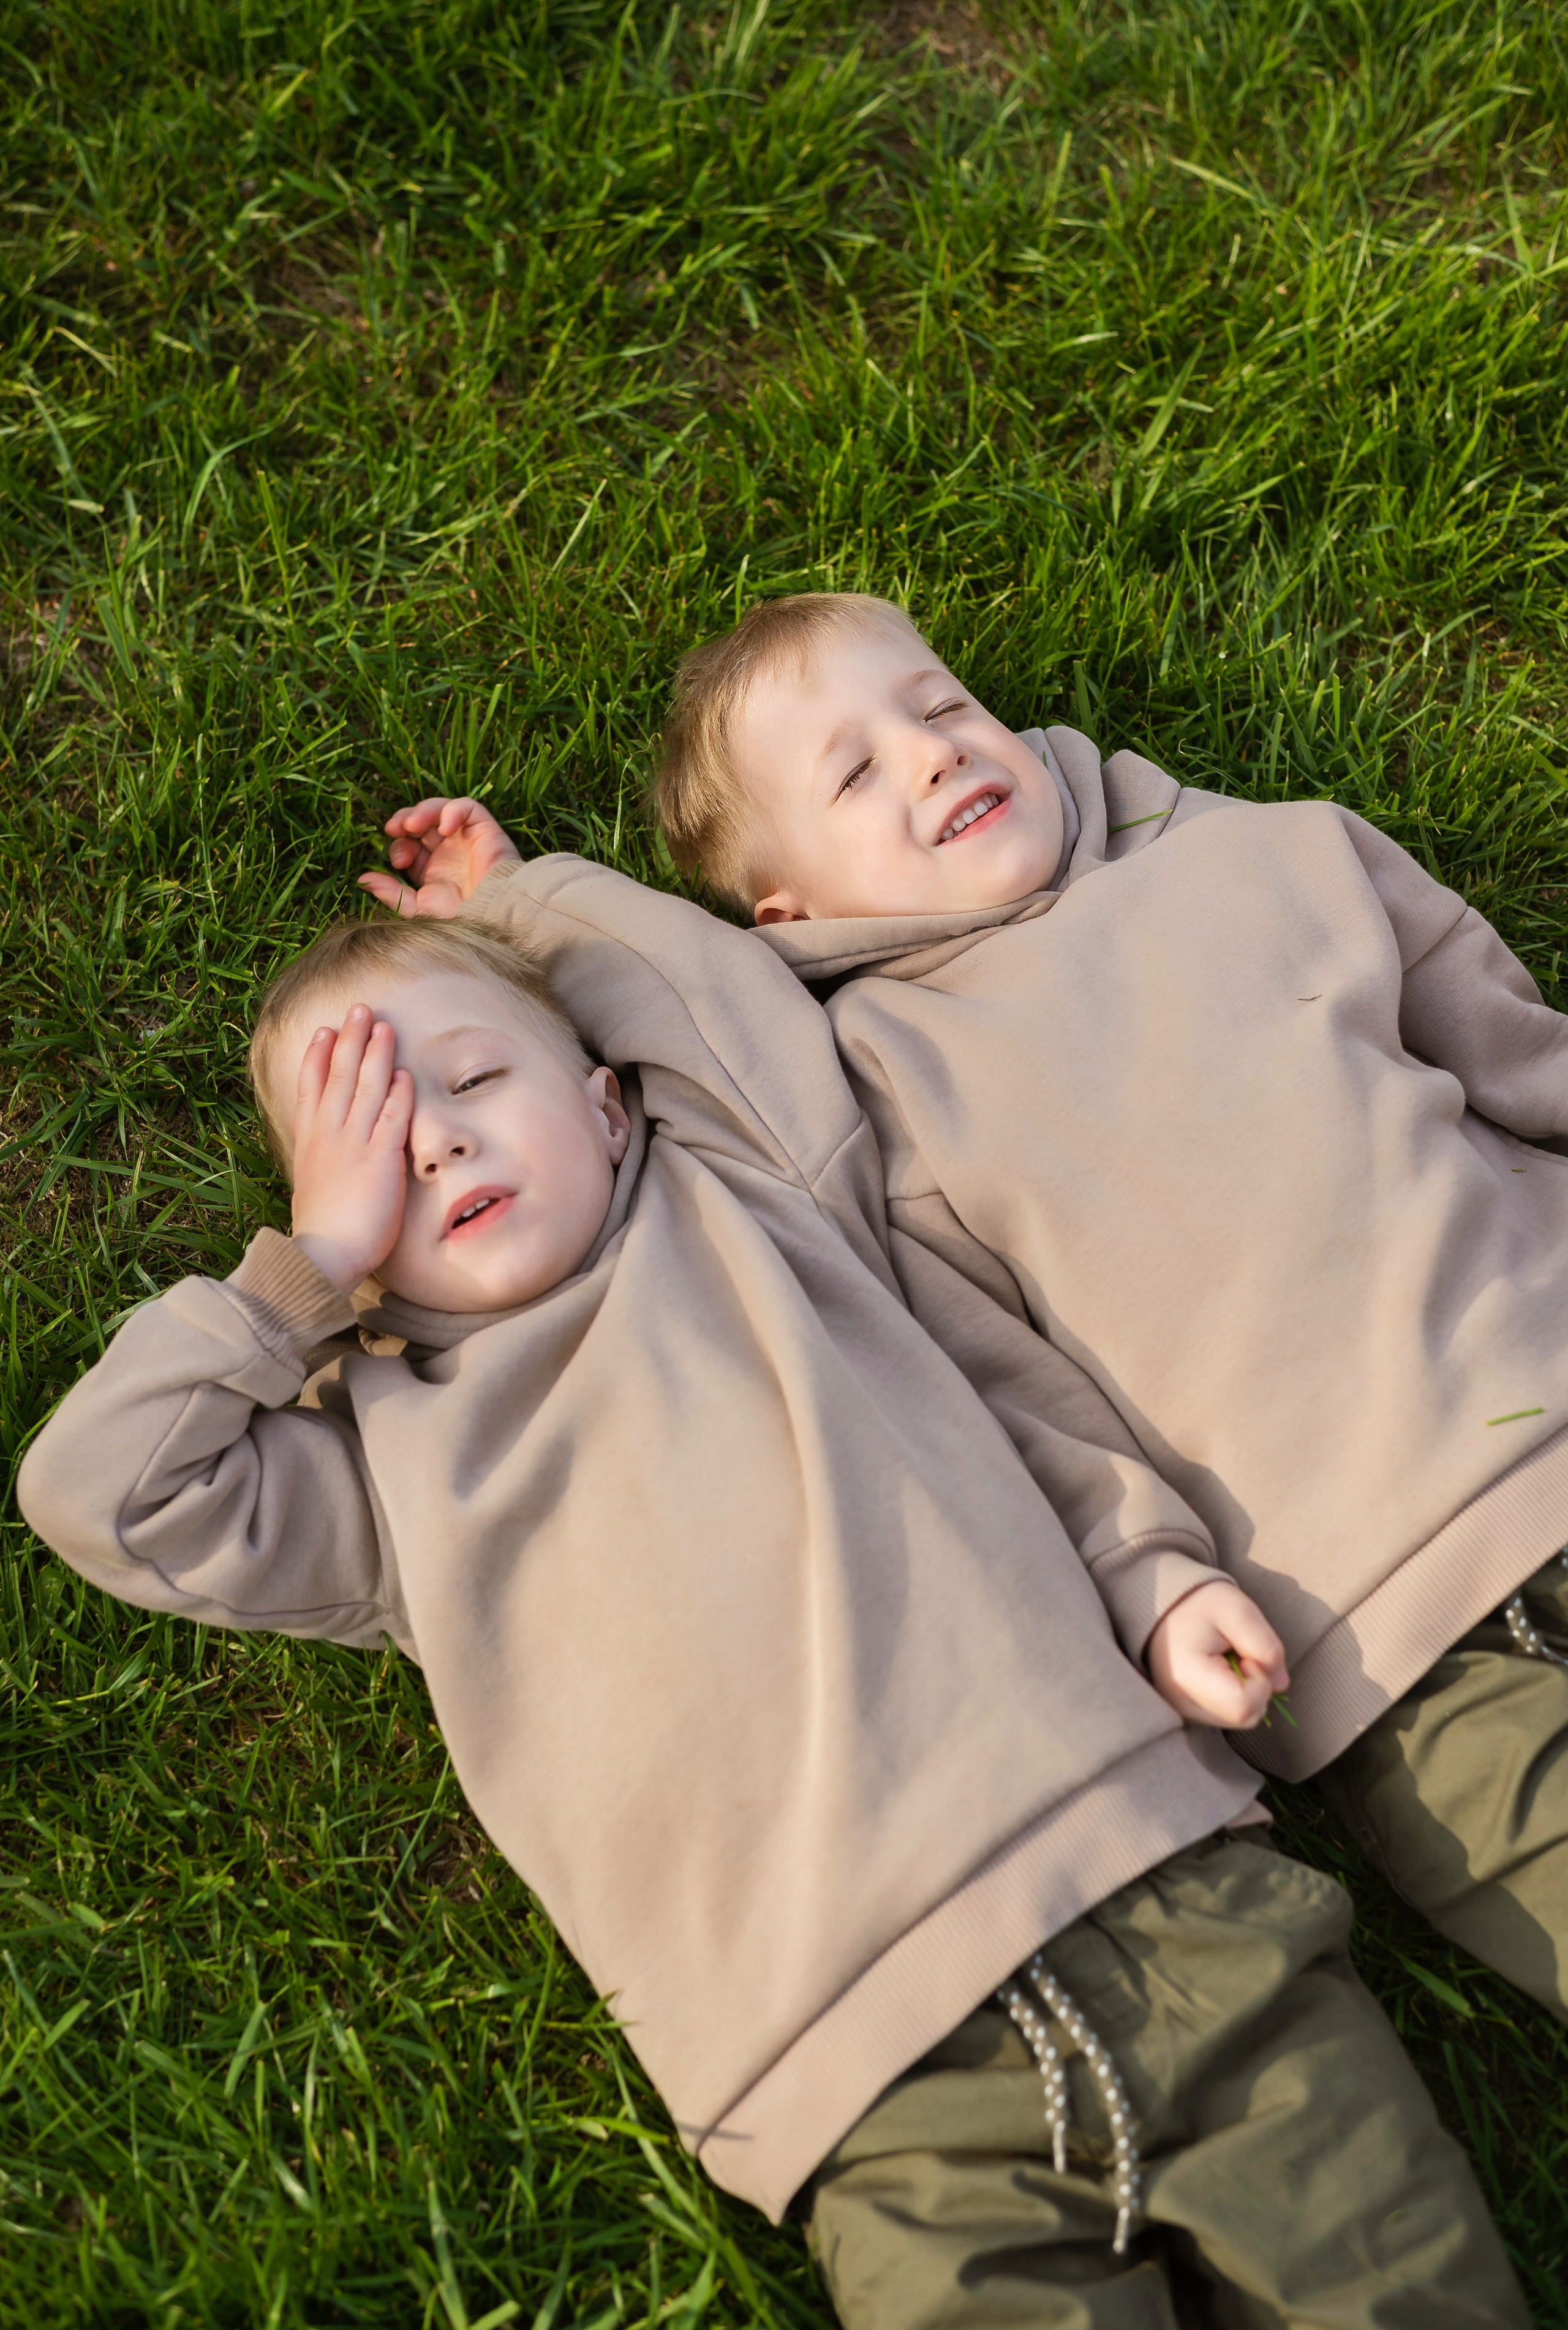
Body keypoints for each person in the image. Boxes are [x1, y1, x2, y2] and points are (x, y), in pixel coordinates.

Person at [18, 861, 1529, 2328]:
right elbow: (102, 1493)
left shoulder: (752, 1201)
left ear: (609, 1104)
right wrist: (307, 1270)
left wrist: (516, 896)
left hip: (1173, 1902)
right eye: (372, 1134)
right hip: (864, 2089)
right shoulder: (378, 1475)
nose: (431, 1147)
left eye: (474, 1081)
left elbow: (699, 992)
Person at [646, 586, 1568, 2034]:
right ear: (791, 913)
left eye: (940, 705)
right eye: (854, 771)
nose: (931, 753)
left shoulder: (1274, 855)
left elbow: (1516, 1053)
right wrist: (1150, 1577)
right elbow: (1009, 1395)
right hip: (1399, 1637)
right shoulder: (885, 1097)